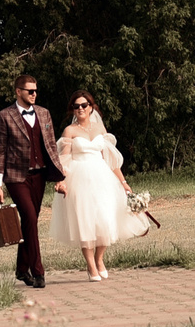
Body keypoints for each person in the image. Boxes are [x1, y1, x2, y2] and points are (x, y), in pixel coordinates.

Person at [52, 92, 137, 279]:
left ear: (91, 107)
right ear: (72, 110)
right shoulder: (70, 131)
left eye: (84, 105)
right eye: (76, 106)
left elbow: (111, 158)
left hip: (102, 177)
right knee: (85, 221)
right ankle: (91, 266)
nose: (80, 109)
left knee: (104, 219)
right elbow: (63, 159)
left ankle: (100, 259)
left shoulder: (100, 128)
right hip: (79, 177)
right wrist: (61, 181)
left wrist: (123, 182)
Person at [0, 74, 61, 289]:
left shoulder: (44, 113)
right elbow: (0, 151)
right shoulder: (4, 116)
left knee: (30, 222)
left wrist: (60, 176)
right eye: (29, 91)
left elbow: (51, 146)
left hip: (39, 175)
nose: (34, 94)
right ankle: (38, 272)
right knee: (29, 217)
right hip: (16, 176)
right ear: (18, 91)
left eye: (36, 90)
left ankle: (21, 269)